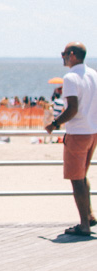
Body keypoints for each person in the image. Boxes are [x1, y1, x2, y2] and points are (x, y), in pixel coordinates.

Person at [45, 42, 97, 236]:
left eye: (64, 54)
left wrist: (55, 124)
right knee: (82, 176)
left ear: (72, 55)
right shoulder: (94, 74)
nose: (62, 57)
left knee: (76, 179)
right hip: (93, 132)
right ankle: (89, 216)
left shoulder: (71, 78)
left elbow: (72, 108)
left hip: (78, 133)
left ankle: (83, 224)